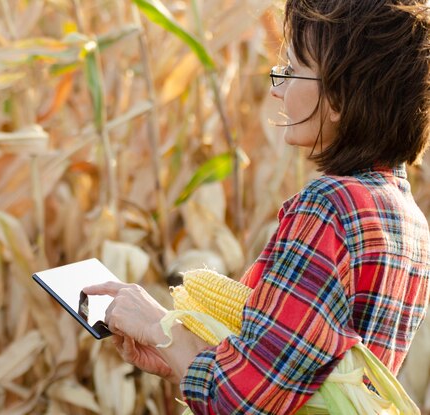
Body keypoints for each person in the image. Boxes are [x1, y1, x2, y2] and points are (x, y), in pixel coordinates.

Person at [83, 0, 430, 413]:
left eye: (293, 70)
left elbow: (241, 403)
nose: (276, 88)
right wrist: (177, 360)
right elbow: (311, 380)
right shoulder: (406, 218)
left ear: (338, 97)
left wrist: (161, 327)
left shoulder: (331, 208)